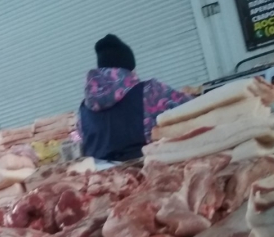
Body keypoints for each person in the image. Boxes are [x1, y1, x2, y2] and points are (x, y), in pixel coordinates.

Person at [78, 34, 192, 162]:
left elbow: (81, 142)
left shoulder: (84, 108)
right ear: (129, 69)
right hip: (147, 170)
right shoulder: (151, 90)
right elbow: (191, 108)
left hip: (99, 174)